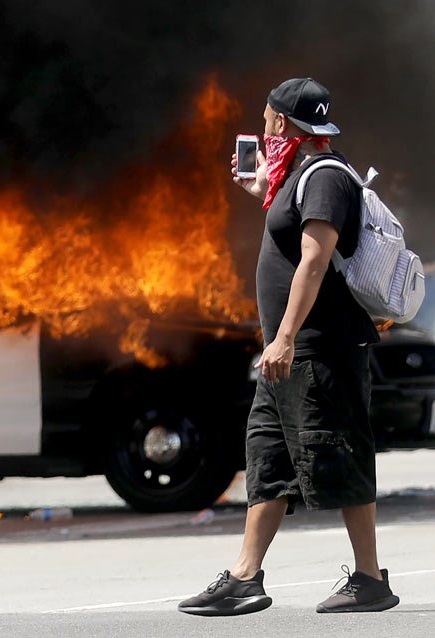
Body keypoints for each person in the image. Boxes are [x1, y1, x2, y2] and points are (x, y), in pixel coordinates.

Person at [177, 78, 399, 616]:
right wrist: (265, 194)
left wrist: (284, 338)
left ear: (285, 123)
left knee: (338, 450)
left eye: (270, 116)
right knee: (267, 455)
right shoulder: (299, 176)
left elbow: (315, 261)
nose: (265, 123)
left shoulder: (324, 178)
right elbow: (290, 238)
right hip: (290, 354)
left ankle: (370, 578)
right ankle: (244, 577)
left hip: (319, 351)